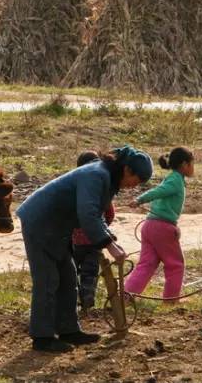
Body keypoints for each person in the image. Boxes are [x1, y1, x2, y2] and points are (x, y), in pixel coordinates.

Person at [16, 146, 153, 353]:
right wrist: (108, 245)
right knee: (47, 279)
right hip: (40, 221)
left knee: (69, 277)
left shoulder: (107, 179)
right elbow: (87, 214)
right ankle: (42, 337)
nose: (136, 186)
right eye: (138, 180)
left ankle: (68, 330)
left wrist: (112, 242)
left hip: (59, 226)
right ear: (127, 170)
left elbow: (96, 215)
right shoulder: (96, 175)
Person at [125, 146, 195, 302]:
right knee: (175, 265)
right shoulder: (176, 180)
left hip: (149, 225)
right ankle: (171, 300)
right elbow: (159, 192)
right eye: (192, 164)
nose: (193, 168)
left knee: (146, 264)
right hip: (162, 227)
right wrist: (140, 200)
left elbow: (160, 191)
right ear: (184, 164)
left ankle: (125, 296)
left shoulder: (172, 178)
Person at [71, 151, 116, 313]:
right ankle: (88, 297)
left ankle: (74, 298)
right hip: (94, 241)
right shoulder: (101, 188)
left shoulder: (75, 188)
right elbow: (110, 214)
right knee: (90, 272)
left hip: (75, 241)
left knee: (73, 271)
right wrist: (102, 228)